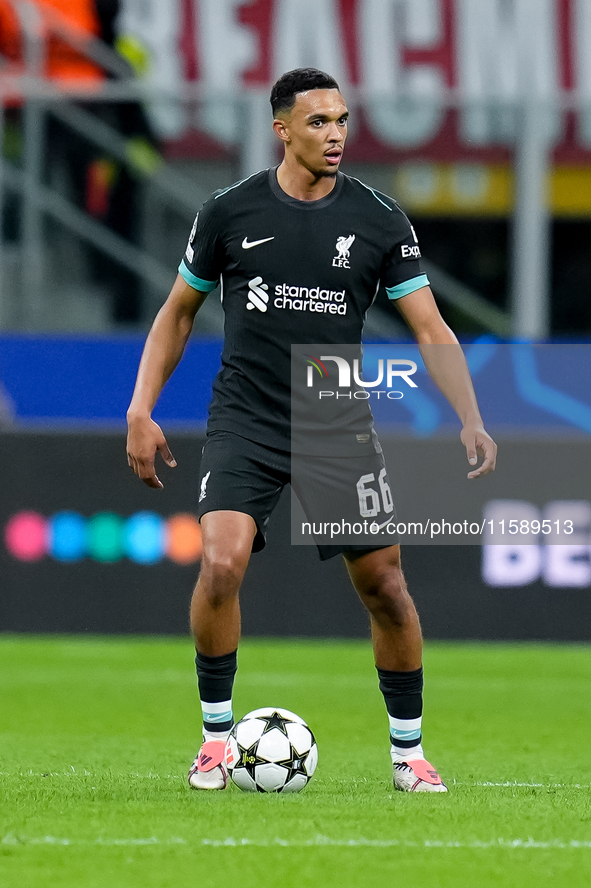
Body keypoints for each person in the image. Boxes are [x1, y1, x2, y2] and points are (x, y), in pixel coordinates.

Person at [126, 68, 497, 794]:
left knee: (385, 583)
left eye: (341, 120)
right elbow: (176, 313)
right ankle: (213, 742)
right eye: (319, 122)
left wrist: (470, 414)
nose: (335, 135)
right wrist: (141, 408)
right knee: (221, 565)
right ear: (282, 130)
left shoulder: (380, 219)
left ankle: (408, 755)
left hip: (334, 420)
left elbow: (428, 326)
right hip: (247, 416)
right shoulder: (228, 213)